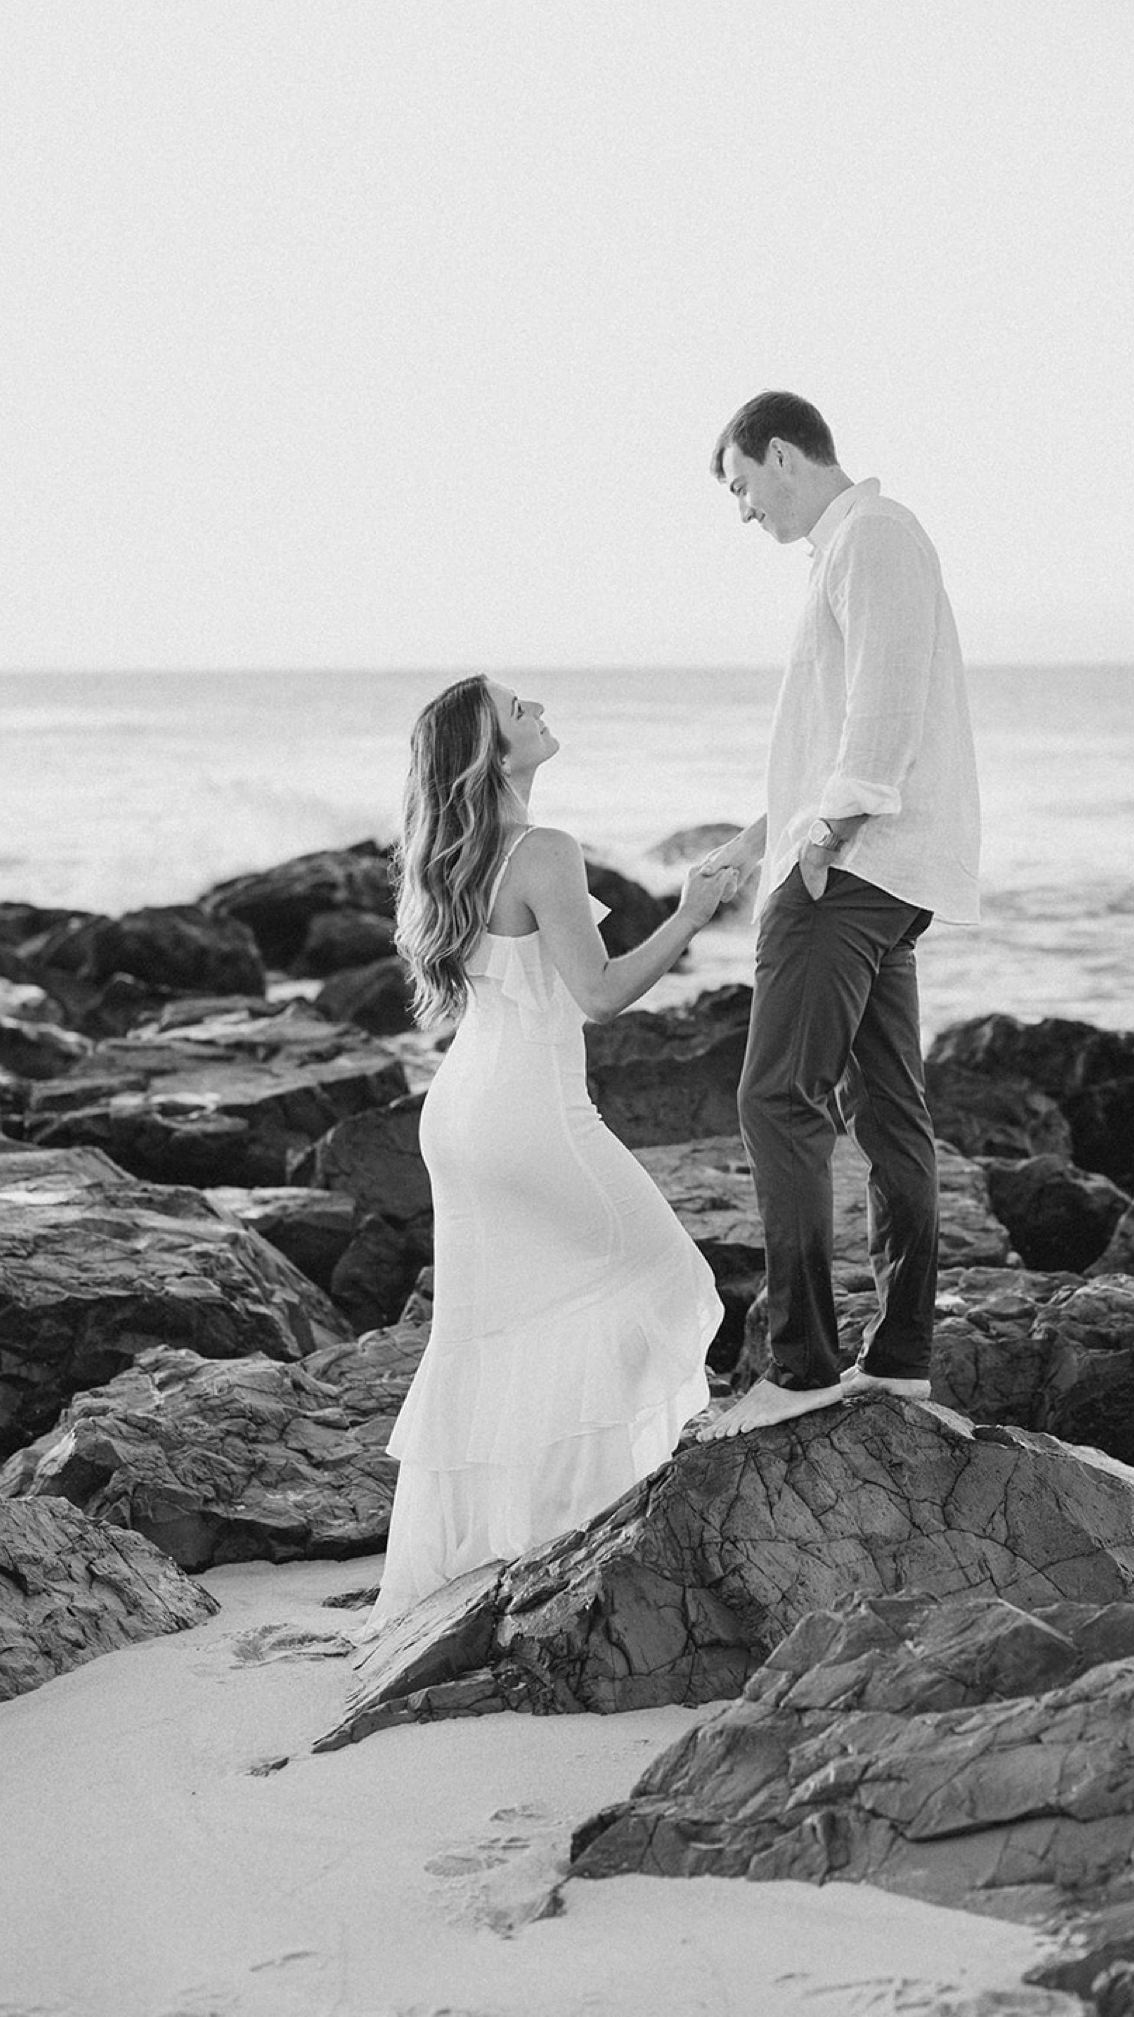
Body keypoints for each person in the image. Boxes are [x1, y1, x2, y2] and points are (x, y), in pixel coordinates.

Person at [367, 674, 731, 1628]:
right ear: (492, 753)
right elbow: (601, 994)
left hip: (460, 1117)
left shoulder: (455, 856)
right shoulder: (542, 851)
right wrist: (690, 915)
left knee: (491, 1339)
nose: (535, 707)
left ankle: (492, 1552)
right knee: (668, 1282)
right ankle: (574, 1523)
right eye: (514, 708)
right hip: (534, 1117)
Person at [696, 391, 980, 1441]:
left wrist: (822, 838)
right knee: (887, 1111)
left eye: (739, 487)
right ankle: (899, 1357)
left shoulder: (871, 535)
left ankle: (804, 1360)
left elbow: (882, 707)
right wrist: (757, 838)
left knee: (778, 1101)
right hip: (875, 868)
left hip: (854, 871)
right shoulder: (855, 547)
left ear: (781, 455)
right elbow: (833, 735)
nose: (740, 513)